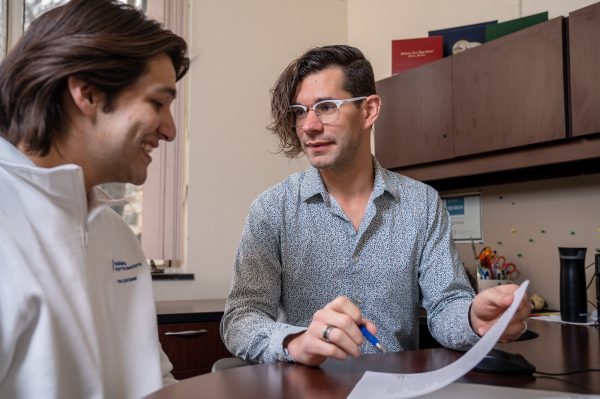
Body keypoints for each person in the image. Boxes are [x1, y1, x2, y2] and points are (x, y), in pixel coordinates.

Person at [220, 45, 531, 367]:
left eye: (326, 107)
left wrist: (473, 319)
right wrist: (296, 342)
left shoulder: (421, 203)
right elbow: (241, 318)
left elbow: (446, 305)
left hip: (397, 388)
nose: (308, 126)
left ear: (369, 110)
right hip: (306, 389)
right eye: (300, 111)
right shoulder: (273, 209)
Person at [0, 1, 189, 397]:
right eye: (157, 102)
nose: (169, 130)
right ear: (86, 93)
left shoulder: (115, 234)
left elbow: (153, 383)